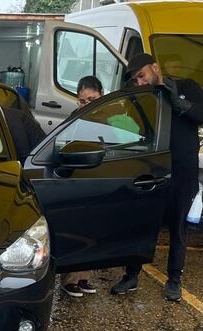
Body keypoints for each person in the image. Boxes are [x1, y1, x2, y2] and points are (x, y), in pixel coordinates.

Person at [111, 53, 203, 302]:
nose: (140, 82)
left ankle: (174, 280)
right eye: (135, 79)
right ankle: (131, 275)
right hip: (153, 173)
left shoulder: (187, 87)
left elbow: (201, 114)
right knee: (143, 225)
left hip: (183, 173)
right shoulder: (144, 97)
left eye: (142, 76)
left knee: (178, 228)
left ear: (154, 67)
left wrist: (179, 103)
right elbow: (136, 131)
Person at [59, 75, 104, 297]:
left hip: (100, 179)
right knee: (78, 231)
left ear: (102, 95)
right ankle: (70, 280)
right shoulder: (75, 118)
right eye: (83, 101)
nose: (87, 104)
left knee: (94, 231)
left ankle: (84, 277)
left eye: (92, 99)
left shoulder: (111, 116)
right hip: (79, 179)